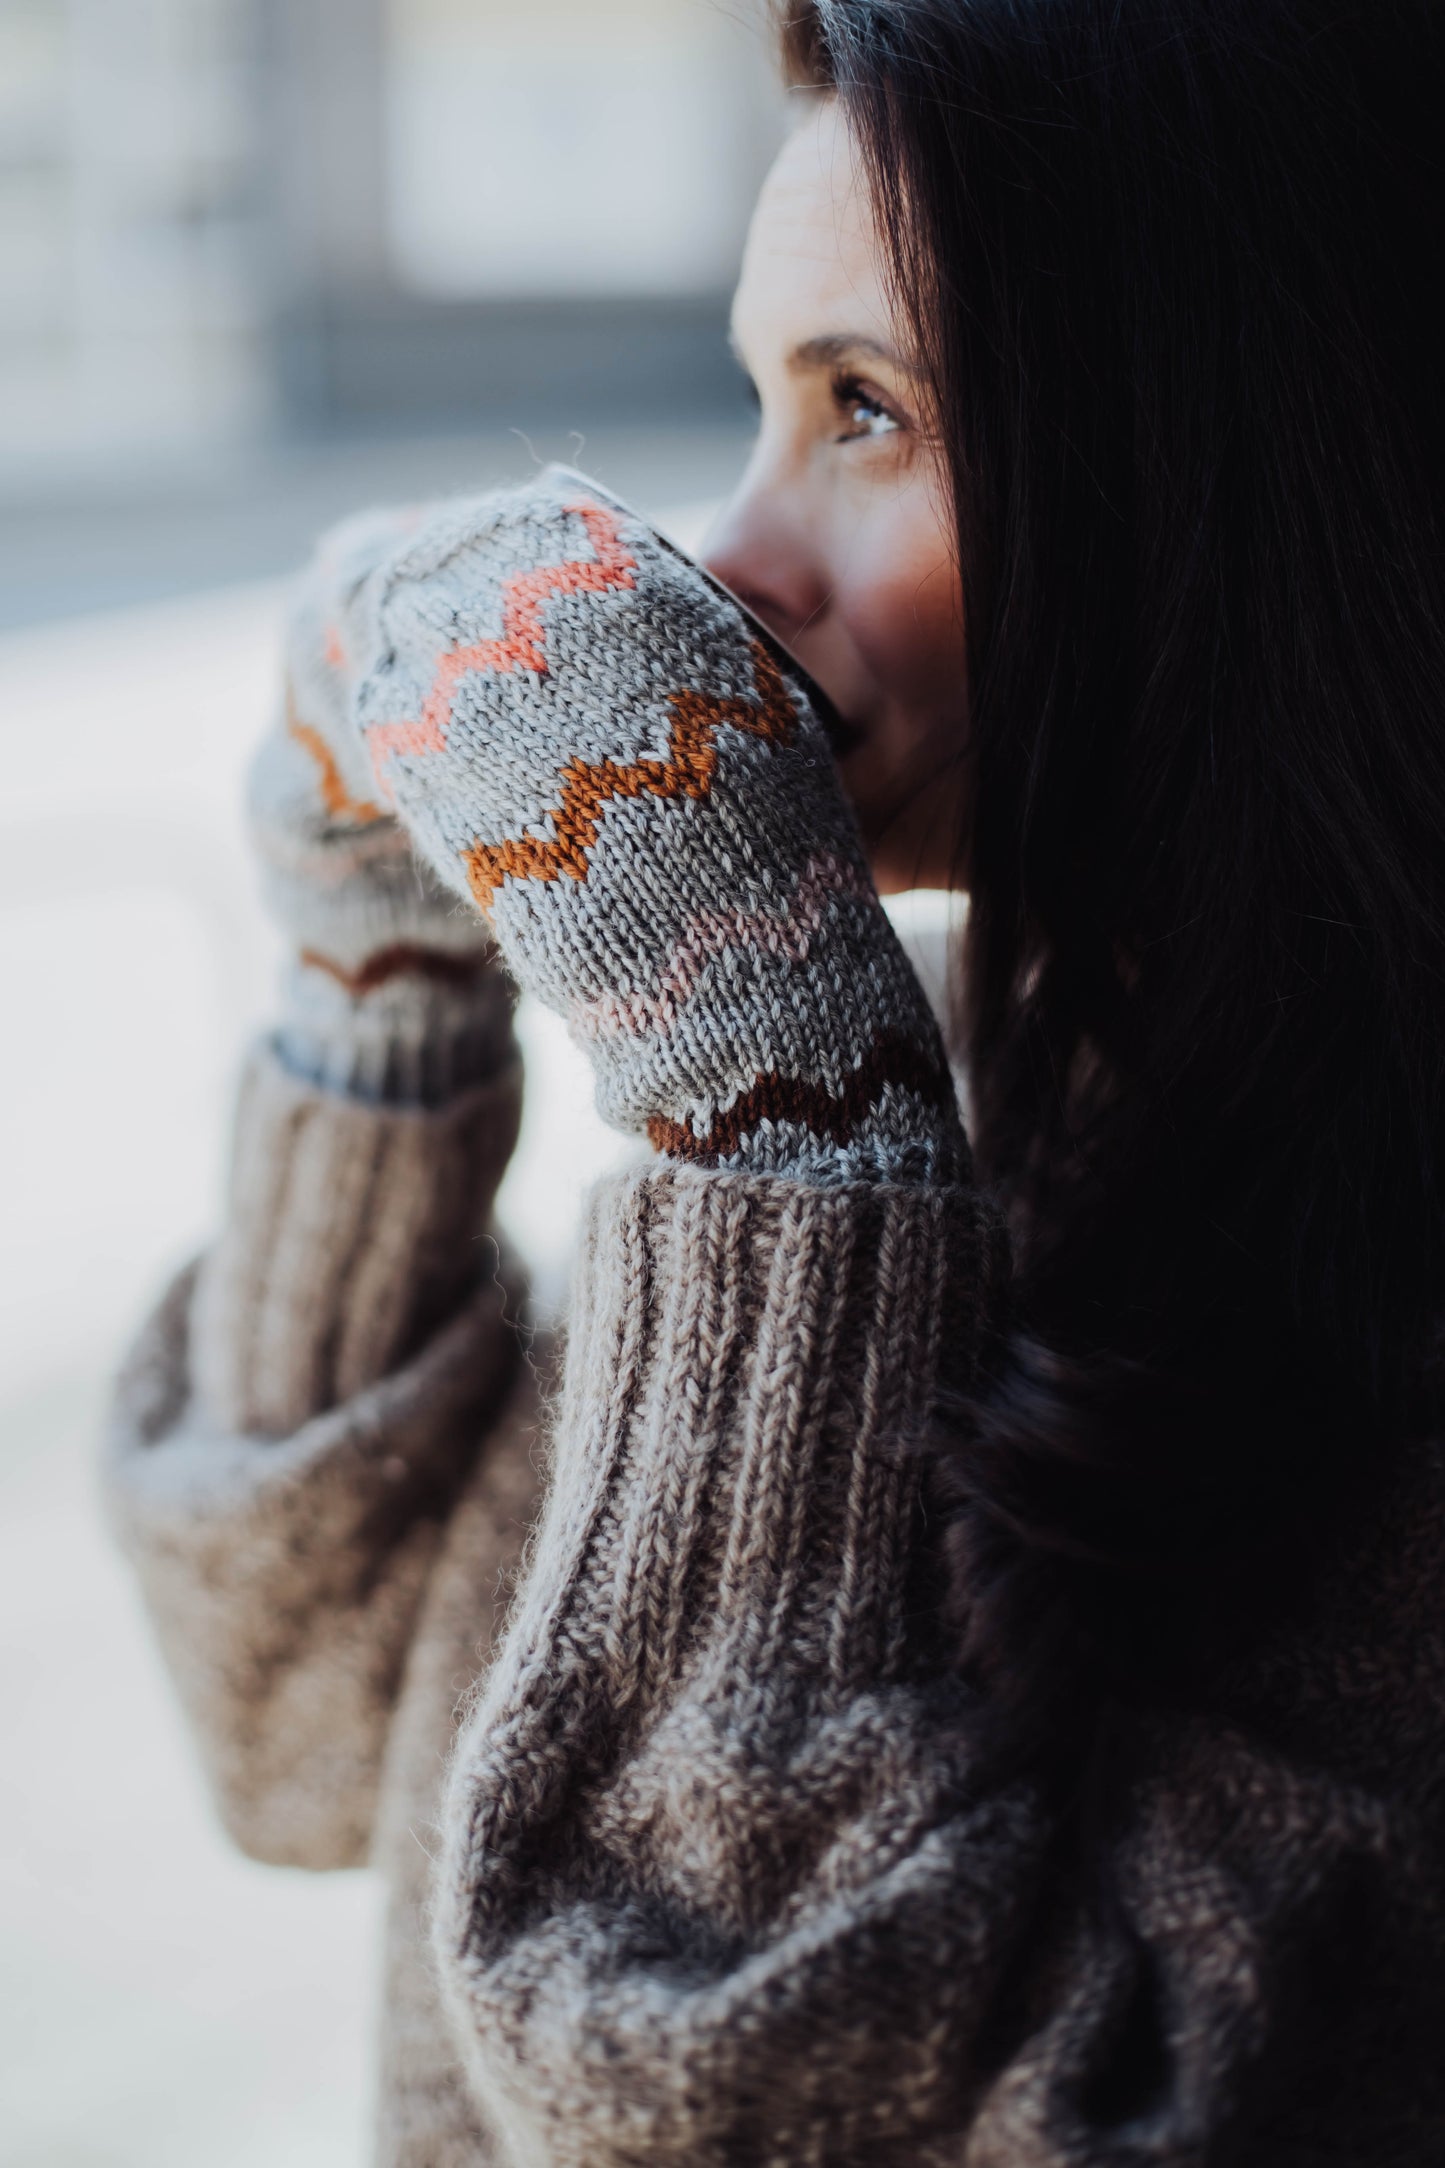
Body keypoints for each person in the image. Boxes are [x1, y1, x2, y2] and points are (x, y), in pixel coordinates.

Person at [105, 1, 1445, 2160]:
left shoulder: (882, 1140)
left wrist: (790, 1149)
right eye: (756, 400)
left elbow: (732, 2103)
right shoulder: (895, 1090)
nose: (728, 560)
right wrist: (375, 979)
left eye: (871, 410)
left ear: (1233, 464)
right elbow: (304, 1715)